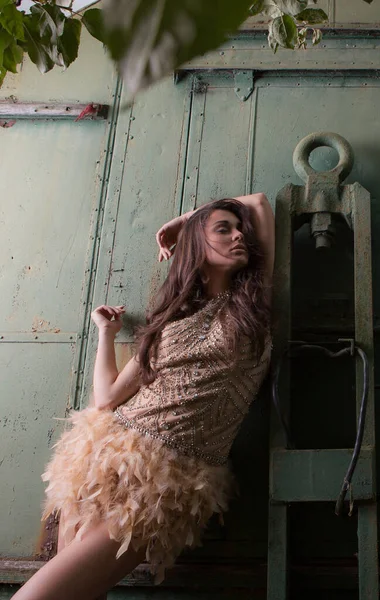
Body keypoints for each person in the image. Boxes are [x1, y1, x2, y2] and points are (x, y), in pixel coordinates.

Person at [13, 193, 275, 600]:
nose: (239, 235)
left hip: (165, 486)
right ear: (197, 247)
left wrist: (185, 219)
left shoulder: (253, 305)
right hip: (104, 462)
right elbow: (108, 398)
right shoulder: (172, 318)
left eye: (239, 229)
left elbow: (258, 204)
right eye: (223, 229)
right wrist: (106, 334)